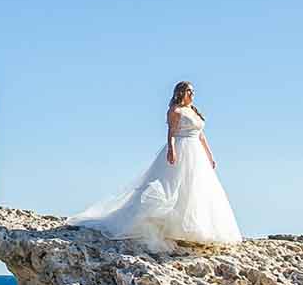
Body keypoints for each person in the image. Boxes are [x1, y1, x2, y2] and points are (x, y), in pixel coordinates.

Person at [68, 80, 240, 251]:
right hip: (182, 148)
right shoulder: (175, 110)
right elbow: (171, 132)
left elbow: (201, 135)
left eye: (193, 91)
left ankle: (196, 228)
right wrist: (171, 149)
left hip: (196, 152)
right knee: (174, 185)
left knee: (196, 188)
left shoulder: (193, 111)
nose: (192, 94)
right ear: (181, 92)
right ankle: (170, 227)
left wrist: (210, 155)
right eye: (189, 91)